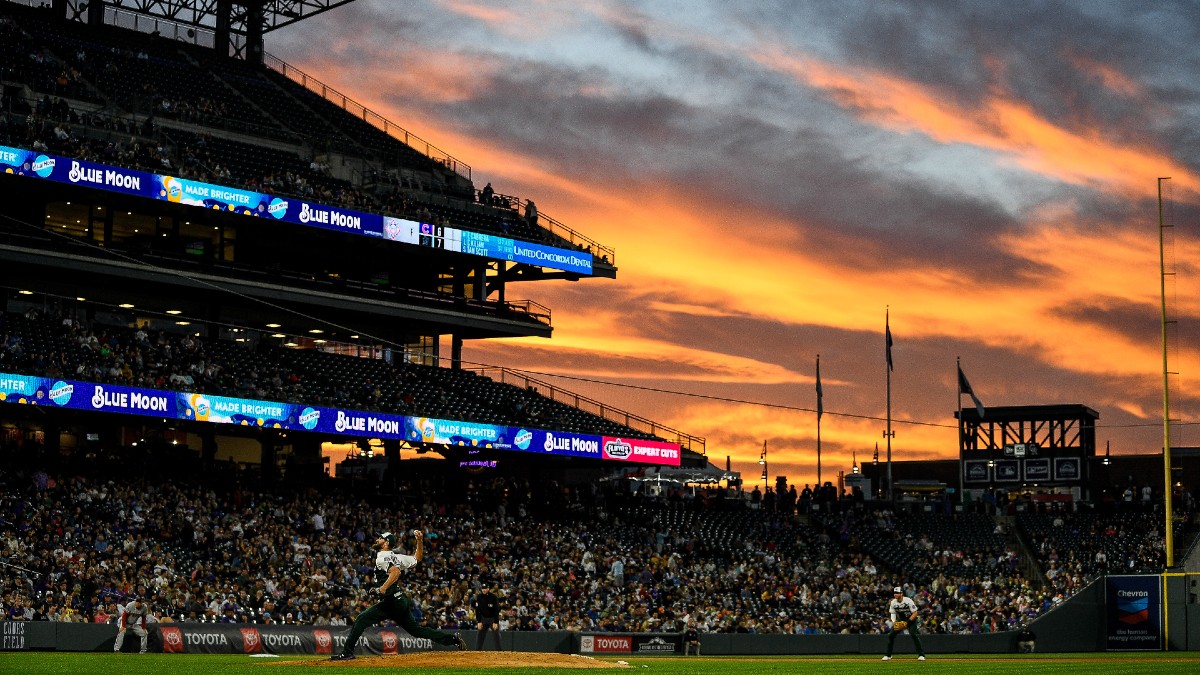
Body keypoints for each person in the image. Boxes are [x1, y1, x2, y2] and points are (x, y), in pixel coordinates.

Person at [330, 530, 466, 661]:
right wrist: (419, 541)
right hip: (400, 600)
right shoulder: (396, 556)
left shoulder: (382, 557)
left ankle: (347, 652)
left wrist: (382, 588)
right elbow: (417, 558)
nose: (377, 539)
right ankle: (453, 639)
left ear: (386, 542)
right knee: (417, 631)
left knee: (361, 619)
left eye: (380, 538)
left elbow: (395, 572)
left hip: (391, 602)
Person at [882, 586, 926, 661]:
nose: (895, 594)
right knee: (891, 635)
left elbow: (915, 613)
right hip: (901, 619)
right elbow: (893, 614)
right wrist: (894, 622)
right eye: (895, 593)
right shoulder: (893, 602)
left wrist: (907, 623)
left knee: (913, 634)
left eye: (897, 593)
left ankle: (921, 655)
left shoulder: (908, 601)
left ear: (901, 593)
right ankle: (888, 655)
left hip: (911, 620)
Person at [471, 585, 502, 651]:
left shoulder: (493, 597)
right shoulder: (479, 597)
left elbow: (496, 610)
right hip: (483, 619)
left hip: (492, 618)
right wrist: (479, 621)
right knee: (480, 635)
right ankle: (477, 652)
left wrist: (495, 622)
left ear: (488, 588)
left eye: (485, 588)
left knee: (496, 635)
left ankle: (499, 652)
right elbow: (477, 610)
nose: (484, 590)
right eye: (483, 588)